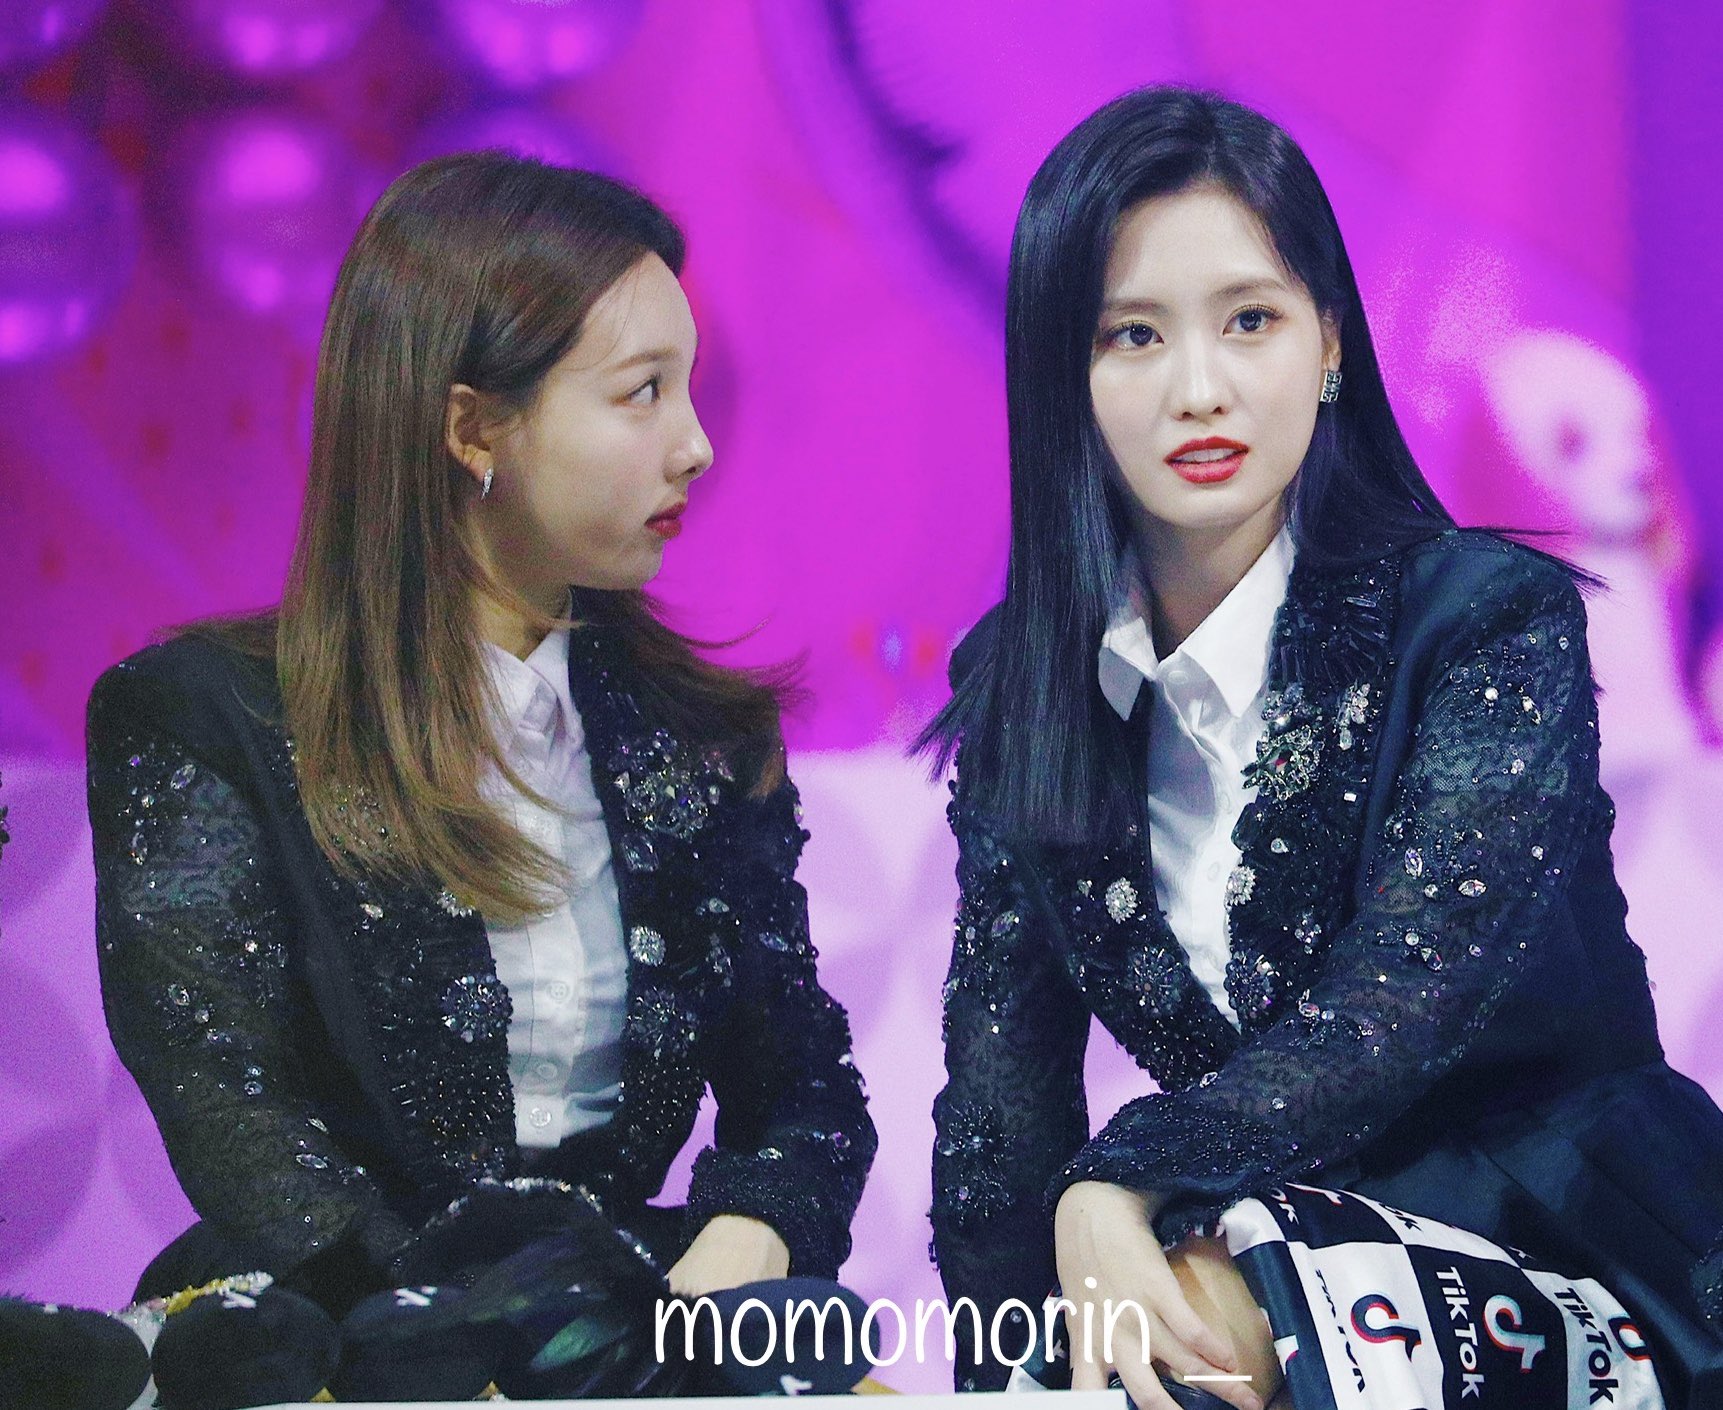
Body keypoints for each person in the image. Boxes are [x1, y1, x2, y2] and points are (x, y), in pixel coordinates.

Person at [922, 86, 1723, 1409]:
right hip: (1259, 1237)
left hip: (1564, 1240)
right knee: (1127, 1345)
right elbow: (1000, 1100)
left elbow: (1397, 1002)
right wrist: (1010, 1369)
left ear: (1330, 343)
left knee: (1194, 1323)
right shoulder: (1025, 683)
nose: (1200, 388)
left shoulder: (1484, 619)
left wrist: (1118, 1179)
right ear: (1062, 374)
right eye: (1132, 334)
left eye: (1249, 320)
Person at [86, 153, 874, 1318]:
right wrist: (462, 1342)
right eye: (643, 392)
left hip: (621, 1326)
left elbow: (804, 1090)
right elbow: (232, 1109)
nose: (695, 444)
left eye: (690, 386)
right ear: (472, 429)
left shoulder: (700, 739)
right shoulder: (202, 719)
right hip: (334, 1331)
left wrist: (750, 1233)